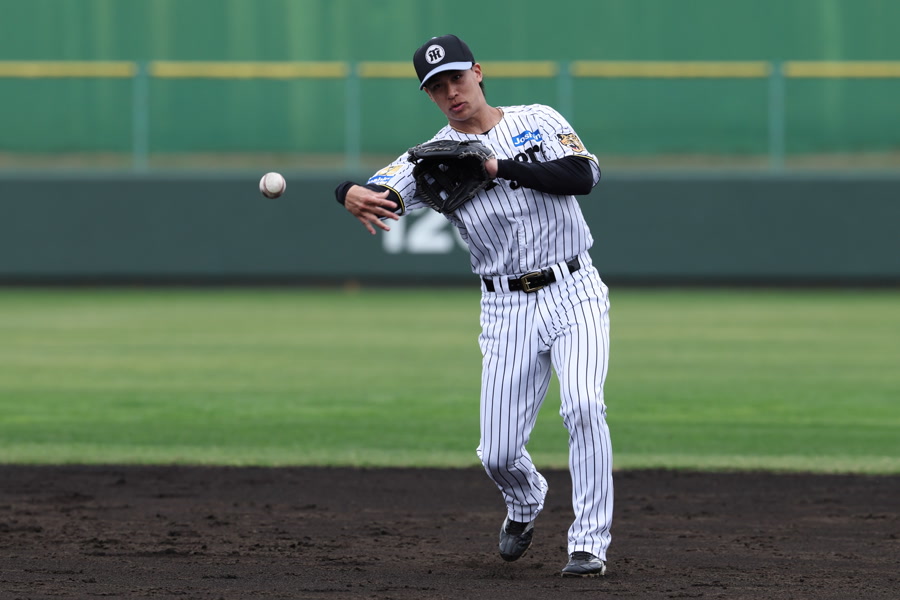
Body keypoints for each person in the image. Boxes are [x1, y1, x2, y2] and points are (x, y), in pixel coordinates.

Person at [334, 34, 612, 578]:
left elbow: (583, 177)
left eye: (457, 78)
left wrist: (496, 167)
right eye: (437, 87)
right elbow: (380, 193)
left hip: (573, 288)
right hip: (505, 308)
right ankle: (525, 499)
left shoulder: (537, 119)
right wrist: (345, 190)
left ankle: (588, 544)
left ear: (478, 72)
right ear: (429, 95)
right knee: (498, 454)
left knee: (583, 406)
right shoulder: (430, 157)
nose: (451, 92)